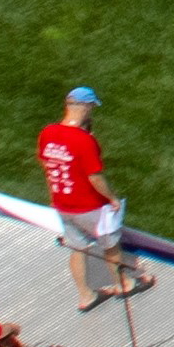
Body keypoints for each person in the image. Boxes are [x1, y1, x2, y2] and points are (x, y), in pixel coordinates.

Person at [36, 86, 134, 304]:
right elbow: (95, 178)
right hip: (89, 206)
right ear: (87, 106)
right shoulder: (84, 140)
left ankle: (85, 296)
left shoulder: (47, 133)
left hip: (62, 204)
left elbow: (46, 165)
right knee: (110, 245)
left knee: (77, 248)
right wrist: (112, 199)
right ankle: (123, 283)